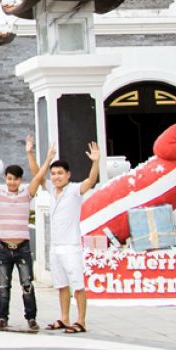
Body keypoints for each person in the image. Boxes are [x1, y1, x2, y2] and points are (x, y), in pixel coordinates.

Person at [0, 136, 55, 332]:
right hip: (4, 248)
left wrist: (44, 157)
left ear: (20, 180)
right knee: (3, 286)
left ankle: (31, 318)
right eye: (9, 178)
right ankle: (2, 317)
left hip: (23, 247)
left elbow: (39, 177)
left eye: (15, 179)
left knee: (27, 285)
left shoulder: (27, 194)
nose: (12, 182)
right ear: (5, 179)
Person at [45, 142, 102, 334]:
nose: (56, 177)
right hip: (55, 246)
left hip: (71, 246)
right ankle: (64, 318)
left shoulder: (74, 190)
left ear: (68, 175)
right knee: (61, 285)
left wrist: (95, 162)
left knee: (77, 285)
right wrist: (37, 155)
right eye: (53, 174)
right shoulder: (52, 191)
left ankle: (81, 321)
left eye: (60, 173)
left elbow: (90, 181)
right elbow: (37, 174)